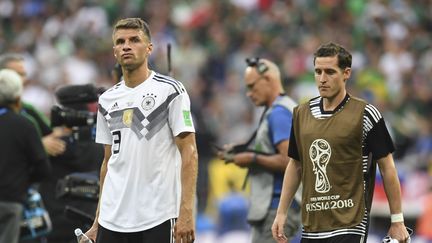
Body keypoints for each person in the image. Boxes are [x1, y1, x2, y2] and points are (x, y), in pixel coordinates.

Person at [272, 42, 410, 243]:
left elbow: (387, 167)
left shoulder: (366, 114)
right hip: (312, 226)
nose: (322, 79)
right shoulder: (301, 115)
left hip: (350, 225)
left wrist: (397, 220)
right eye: (318, 72)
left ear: (346, 73)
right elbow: (295, 164)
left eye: (330, 72)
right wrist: (281, 212)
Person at [85, 18, 198, 243]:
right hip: (112, 219)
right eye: (120, 41)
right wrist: (98, 221)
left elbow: (190, 152)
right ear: (115, 51)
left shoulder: (171, 91)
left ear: (149, 48)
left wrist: (186, 213)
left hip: (157, 216)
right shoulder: (107, 100)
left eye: (134, 40)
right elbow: (108, 162)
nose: (126, 46)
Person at [218, 58, 301, 243]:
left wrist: (251, 158)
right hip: (276, 209)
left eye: (252, 86)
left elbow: (290, 162)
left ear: (268, 79)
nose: (249, 93)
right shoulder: (281, 109)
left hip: (276, 209)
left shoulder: (279, 113)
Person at [0, 69, 52, 243]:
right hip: (11, 201)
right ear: (17, 98)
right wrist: (22, 182)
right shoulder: (24, 124)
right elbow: (43, 168)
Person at [0, 53, 66, 157]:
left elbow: (51, 133)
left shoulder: (28, 109)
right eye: (16, 74)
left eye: (23, 74)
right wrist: (38, 145)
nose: (22, 79)